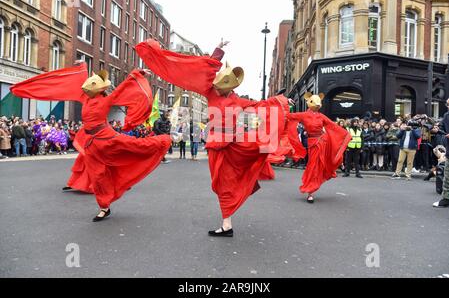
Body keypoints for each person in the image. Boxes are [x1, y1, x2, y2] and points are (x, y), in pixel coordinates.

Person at [136, 38, 289, 237]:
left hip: (235, 146)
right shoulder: (210, 92)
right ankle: (227, 222)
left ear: (230, 87)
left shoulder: (237, 100)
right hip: (217, 147)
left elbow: (260, 105)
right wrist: (218, 52)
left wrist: (279, 101)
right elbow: (204, 73)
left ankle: (227, 223)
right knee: (219, 184)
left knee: (227, 181)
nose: (217, 86)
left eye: (221, 85)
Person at [11, 62, 172, 221]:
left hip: (107, 138)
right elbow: (81, 82)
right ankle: (104, 207)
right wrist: (82, 66)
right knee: (98, 176)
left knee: (136, 146)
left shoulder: (107, 99)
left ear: (100, 89)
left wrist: (138, 73)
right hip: (91, 144)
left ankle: (164, 140)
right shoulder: (86, 99)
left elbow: (123, 87)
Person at [287, 93, 351, 203]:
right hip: (313, 144)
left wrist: (345, 135)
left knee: (322, 164)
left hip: (323, 142)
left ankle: (324, 176)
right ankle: (310, 191)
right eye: (315, 103)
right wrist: (288, 105)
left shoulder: (321, 116)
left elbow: (333, 126)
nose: (317, 106)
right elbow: (288, 116)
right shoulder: (303, 115)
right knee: (312, 166)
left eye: (318, 104)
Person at [433, 99, 449, 208]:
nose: (448, 106)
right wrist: (436, 129)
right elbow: (442, 128)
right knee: (447, 176)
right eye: (447, 104)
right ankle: (446, 199)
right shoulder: (446, 115)